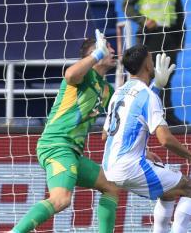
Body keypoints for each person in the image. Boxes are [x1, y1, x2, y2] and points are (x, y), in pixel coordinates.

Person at [10, 30, 120, 233]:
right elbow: (70, 74)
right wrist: (96, 55)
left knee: (111, 186)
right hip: (57, 145)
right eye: (107, 48)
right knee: (61, 200)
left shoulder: (106, 90)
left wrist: (155, 86)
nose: (113, 51)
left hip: (73, 153)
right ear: (95, 53)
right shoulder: (82, 76)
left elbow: (119, 121)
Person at [102, 44, 191, 233]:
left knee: (167, 193)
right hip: (130, 167)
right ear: (147, 67)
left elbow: (105, 135)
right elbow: (165, 139)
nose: (153, 63)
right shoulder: (148, 97)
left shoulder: (118, 93)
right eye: (151, 59)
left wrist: (157, 86)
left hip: (109, 167)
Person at [124, 0, 185, 125]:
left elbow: (179, 12)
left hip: (169, 35)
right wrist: (142, 20)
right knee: (146, 74)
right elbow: (127, 6)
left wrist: (180, 38)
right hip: (149, 36)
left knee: (166, 75)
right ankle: (142, 114)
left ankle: (167, 114)